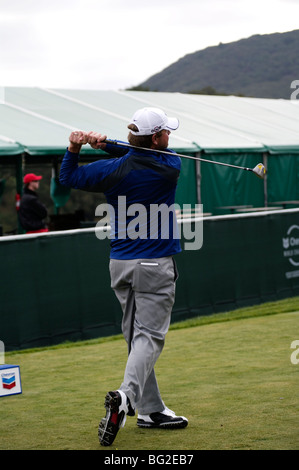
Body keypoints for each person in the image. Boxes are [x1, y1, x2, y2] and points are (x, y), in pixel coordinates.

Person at [59, 107, 188, 447]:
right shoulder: (169, 166)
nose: (169, 137)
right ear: (157, 137)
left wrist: (77, 148)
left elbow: (68, 178)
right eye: (166, 132)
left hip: (120, 263)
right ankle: (126, 397)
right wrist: (107, 144)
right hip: (155, 265)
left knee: (135, 336)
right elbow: (144, 154)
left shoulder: (110, 170)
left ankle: (150, 410)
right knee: (148, 338)